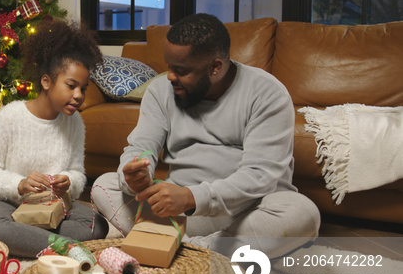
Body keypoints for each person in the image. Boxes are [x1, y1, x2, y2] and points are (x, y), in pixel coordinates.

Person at [91, 13, 320, 258]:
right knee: (104, 185)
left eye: (180, 70)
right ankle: (214, 250)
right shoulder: (161, 91)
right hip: (181, 208)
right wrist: (136, 171)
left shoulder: (267, 93)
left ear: (215, 67)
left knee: (303, 214)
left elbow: (259, 176)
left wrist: (192, 197)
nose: (170, 76)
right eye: (169, 66)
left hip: (248, 208)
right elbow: (143, 146)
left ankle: (187, 249)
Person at [0, 18, 108, 258]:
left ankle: (31, 240)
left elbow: (77, 172)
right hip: (7, 204)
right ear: (46, 81)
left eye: (83, 88)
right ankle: (66, 247)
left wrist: (68, 180)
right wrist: (19, 184)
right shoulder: (9, 116)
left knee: (97, 224)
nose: (78, 96)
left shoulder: (75, 122)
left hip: (50, 206)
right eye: (71, 85)